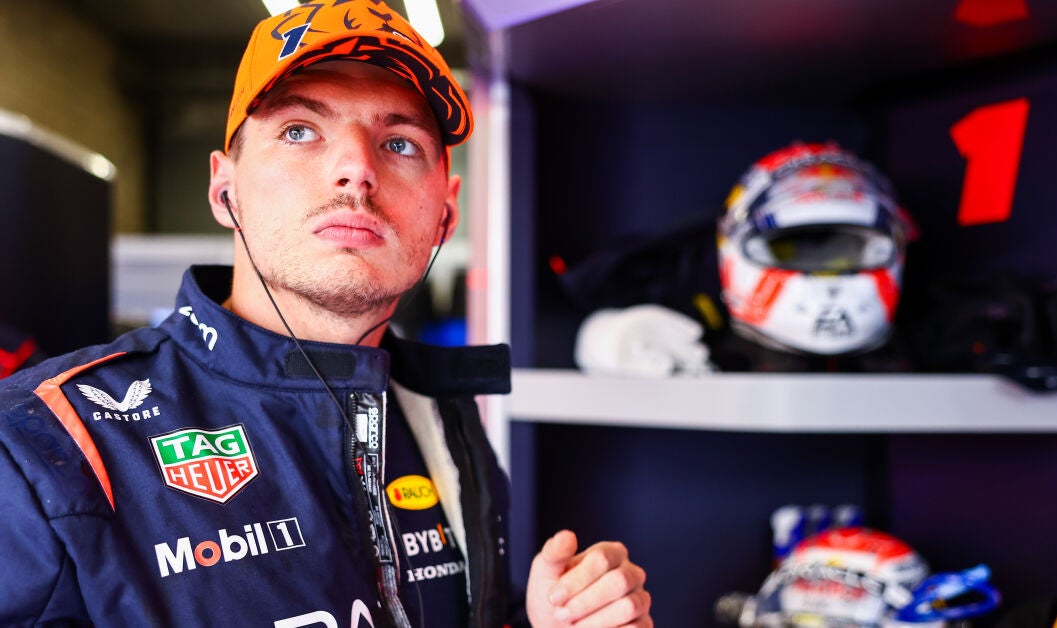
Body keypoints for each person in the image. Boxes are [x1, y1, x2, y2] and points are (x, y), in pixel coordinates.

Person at [0, 2, 652, 626]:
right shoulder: (43, 444)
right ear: (225, 189)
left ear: (445, 214)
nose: (356, 169)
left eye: (400, 143)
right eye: (299, 131)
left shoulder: (438, 415)